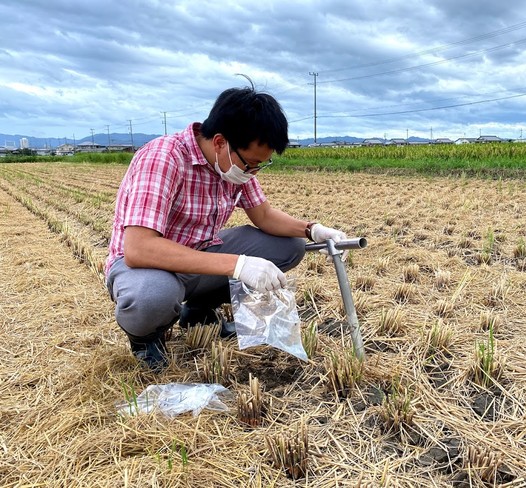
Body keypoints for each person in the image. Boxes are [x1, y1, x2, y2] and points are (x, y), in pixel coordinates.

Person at [105, 87, 346, 371]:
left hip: (200, 256)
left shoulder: (233, 167)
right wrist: (238, 264)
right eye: (252, 163)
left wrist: (311, 229)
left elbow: (265, 215)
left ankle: (197, 311)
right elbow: (139, 248)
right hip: (146, 266)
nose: (252, 172)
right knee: (151, 297)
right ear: (220, 142)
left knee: (288, 245)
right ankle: (145, 337)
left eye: (260, 165)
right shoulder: (164, 158)